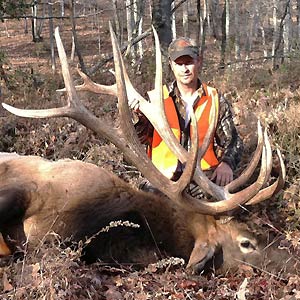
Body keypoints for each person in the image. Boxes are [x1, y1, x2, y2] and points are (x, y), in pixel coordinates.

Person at [132, 37, 243, 197]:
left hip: (203, 179)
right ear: (171, 65)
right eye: (179, 63)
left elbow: (234, 142)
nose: (184, 69)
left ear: (199, 61)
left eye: (189, 62)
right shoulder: (156, 99)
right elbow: (140, 139)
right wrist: (138, 117)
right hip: (163, 180)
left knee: (224, 209)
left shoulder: (215, 99)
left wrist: (227, 163)